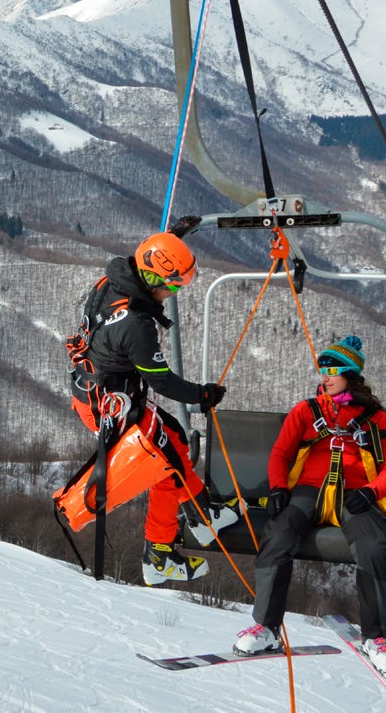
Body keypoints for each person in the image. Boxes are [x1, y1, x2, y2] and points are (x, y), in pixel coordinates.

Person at [69, 230, 240, 586]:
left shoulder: (114, 279)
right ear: (151, 279)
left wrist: (173, 237)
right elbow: (163, 382)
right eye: (173, 287)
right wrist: (202, 395)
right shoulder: (136, 325)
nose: (173, 294)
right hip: (110, 407)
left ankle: (201, 515)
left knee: (175, 439)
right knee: (165, 464)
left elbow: (151, 257)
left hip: (101, 394)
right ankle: (160, 555)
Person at [233, 334, 386, 676]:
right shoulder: (307, 411)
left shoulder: (376, 418)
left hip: (353, 493)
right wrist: (280, 487)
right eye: (321, 370)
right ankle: (266, 627)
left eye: (332, 371)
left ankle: (376, 637)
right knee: (278, 537)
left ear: (351, 375)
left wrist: (371, 492)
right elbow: (281, 452)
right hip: (309, 489)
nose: (324, 377)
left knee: (375, 546)